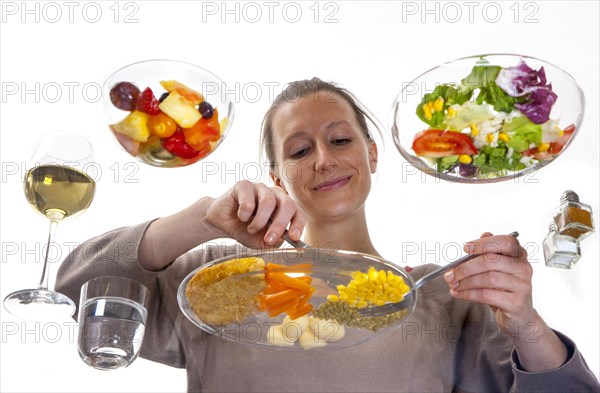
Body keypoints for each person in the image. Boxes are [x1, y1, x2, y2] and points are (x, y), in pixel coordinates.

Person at [56, 78, 600, 392]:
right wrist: (199, 218)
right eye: (297, 150)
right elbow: (76, 288)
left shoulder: (445, 295)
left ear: (372, 154)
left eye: (340, 140)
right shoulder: (219, 278)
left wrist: (525, 323)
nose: (323, 159)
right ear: (276, 177)